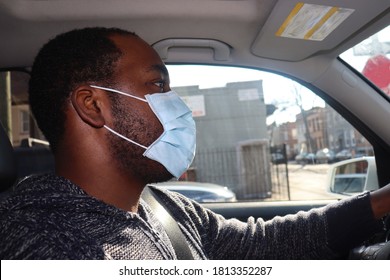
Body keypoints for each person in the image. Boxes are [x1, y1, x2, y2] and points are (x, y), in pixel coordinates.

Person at [0, 27, 390, 259]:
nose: (178, 106)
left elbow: (263, 244)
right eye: (158, 85)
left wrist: (382, 200)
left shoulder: (161, 207)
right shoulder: (40, 241)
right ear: (93, 106)